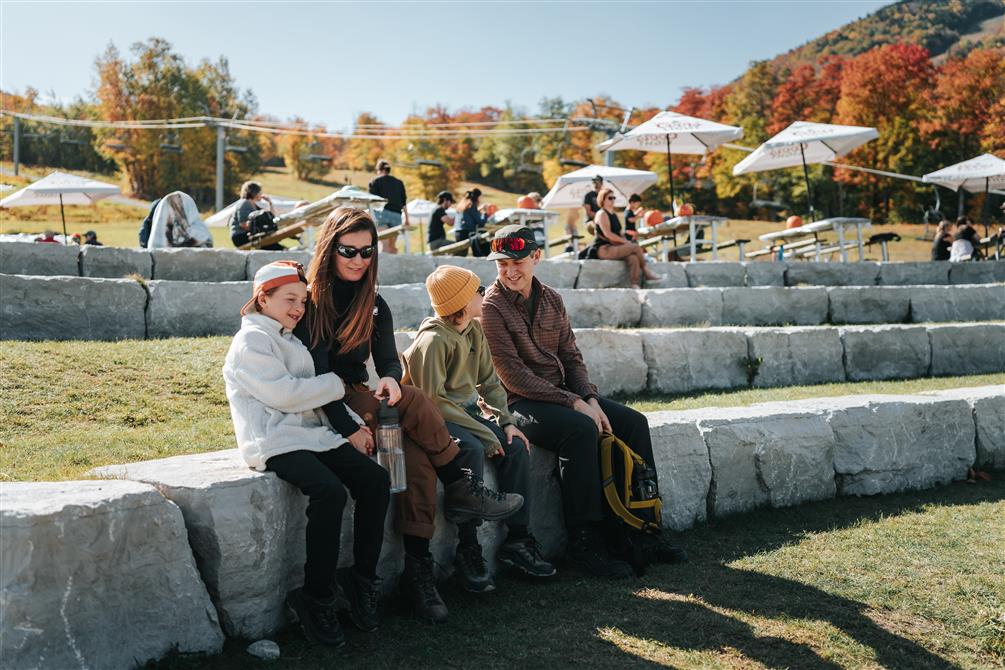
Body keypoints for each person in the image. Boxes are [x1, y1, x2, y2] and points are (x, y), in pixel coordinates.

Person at [294, 206, 523, 624]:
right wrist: (348, 428)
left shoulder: (374, 302)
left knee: (417, 460)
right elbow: (320, 375)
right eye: (348, 250)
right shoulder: (313, 302)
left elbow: (387, 360)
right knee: (417, 400)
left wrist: (391, 379)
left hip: (359, 393)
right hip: (322, 397)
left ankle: (417, 570)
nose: (358, 260)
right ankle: (461, 482)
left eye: (367, 252)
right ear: (329, 249)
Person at [480, 225, 687, 579]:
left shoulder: (553, 299)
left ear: (535, 257)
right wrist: (576, 403)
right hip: (517, 403)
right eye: (501, 264)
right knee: (579, 429)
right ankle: (584, 541)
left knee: (634, 422)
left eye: (517, 261)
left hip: (563, 395)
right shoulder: (491, 307)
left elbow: (572, 357)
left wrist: (590, 396)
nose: (510, 271)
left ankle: (641, 529)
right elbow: (511, 375)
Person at [222, 260, 391, 648]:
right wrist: (336, 383)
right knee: (329, 491)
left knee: (375, 479)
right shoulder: (251, 341)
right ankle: (317, 596)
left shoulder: (292, 339)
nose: (299, 308)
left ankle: (362, 578)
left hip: (311, 434)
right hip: (273, 440)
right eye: (289, 299)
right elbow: (285, 395)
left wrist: (354, 425)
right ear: (262, 299)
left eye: (302, 300)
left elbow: (314, 400)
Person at [402, 266, 556, 593]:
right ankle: (468, 547)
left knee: (514, 446)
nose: (483, 293)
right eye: (477, 289)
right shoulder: (432, 341)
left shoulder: (474, 331)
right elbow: (432, 403)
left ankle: (517, 540)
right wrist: (486, 434)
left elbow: (489, 383)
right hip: (433, 419)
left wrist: (506, 422)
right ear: (460, 301)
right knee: (469, 447)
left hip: (465, 414)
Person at [593, 187, 663, 288]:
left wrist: (624, 240)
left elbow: (619, 233)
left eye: (614, 197)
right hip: (605, 249)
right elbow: (608, 234)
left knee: (633, 258)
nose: (612, 200)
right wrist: (626, 242)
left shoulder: (614, 214)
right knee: (635, 247)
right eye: (610, 198)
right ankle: (647, 272)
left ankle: (634, 284)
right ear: (602, 199)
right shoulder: (602, 214)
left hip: (615, 247)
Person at [368, 159, 409, 254]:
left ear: (379, 170)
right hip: (397, 215)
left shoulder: (375, 181)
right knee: (392, 247)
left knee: (385, 245)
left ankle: (385, 269)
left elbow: (372, 203)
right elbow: (404, 202)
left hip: (382, 214)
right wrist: (407, 219)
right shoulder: (399, 182)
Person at [229, 181, 282, 251]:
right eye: (260, 192)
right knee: (267, 242)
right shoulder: (244, 203)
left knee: (270, 241)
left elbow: (271, 218)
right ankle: (282, 251)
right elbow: (243, 224)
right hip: (240, 236)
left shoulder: (254, 206)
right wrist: (260, 230)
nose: (261, 194)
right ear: (255, 193)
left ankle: (280, 250)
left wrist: (270, 203)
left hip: (248, 235)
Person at [455, 188, 490, 256]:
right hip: (467, 233)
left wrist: (478, 210)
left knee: (461, 255)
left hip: (458, 232)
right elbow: (480, 222)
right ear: (477, 197)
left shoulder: (462, 204)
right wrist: (485, 213)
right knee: (484, 244)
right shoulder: (471, 205)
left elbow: (469, 215)